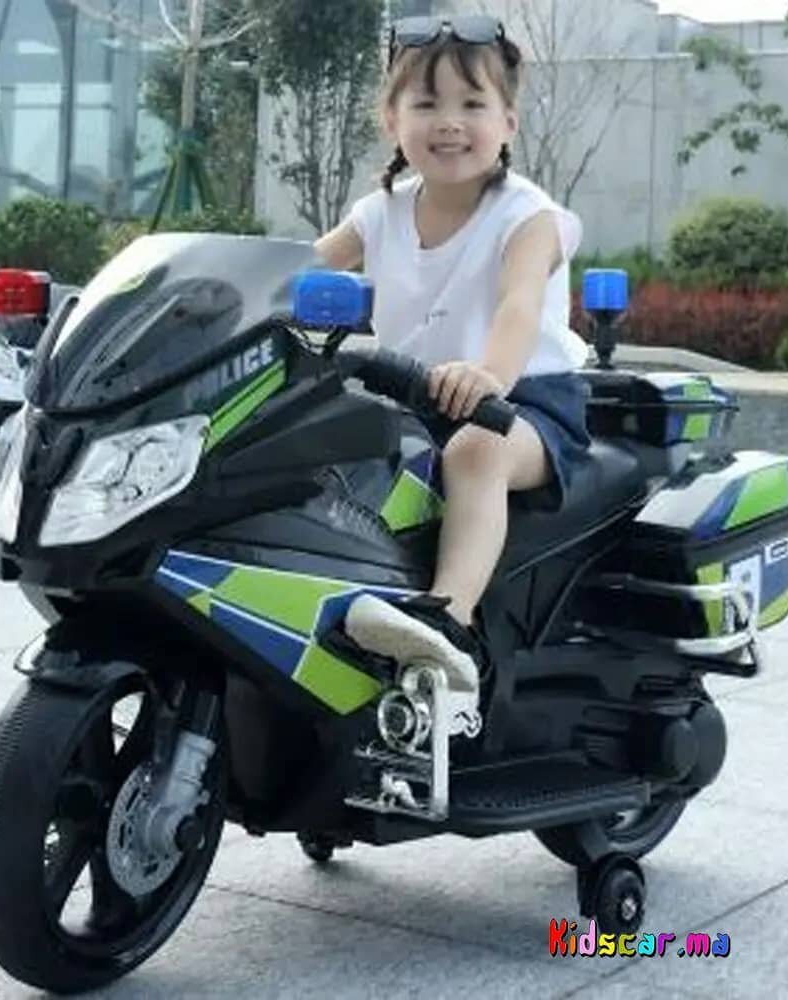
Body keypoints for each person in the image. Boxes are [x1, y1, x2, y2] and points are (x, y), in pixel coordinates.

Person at [313, 15, 591, 724]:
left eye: (472, 104)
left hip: (525, 403)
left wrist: (488, 375)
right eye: (427, 103)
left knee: (475, 453)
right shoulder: (378, 213)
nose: (449, 122)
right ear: (391, 118)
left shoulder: (528, 216)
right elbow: (294, 274)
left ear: (508, 122)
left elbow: (518, 305)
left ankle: (446, 625)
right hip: (411, 397)